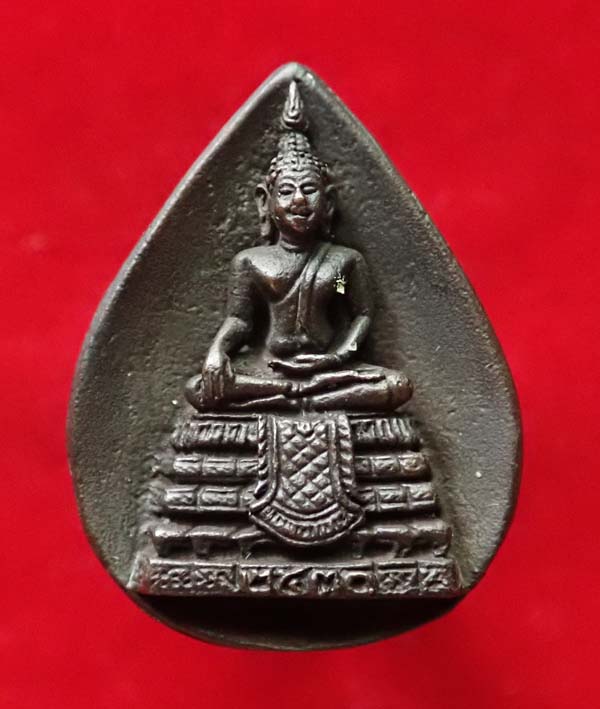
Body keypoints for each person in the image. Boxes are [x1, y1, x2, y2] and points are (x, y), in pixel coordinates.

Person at [185, 82, 411, 412]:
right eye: (287, 191)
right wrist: (217, 351)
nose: (299, 200)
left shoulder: (340, 266)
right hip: (269, 369)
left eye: (309, 189)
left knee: (398, 385)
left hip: (329, 369)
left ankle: (297, 397)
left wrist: (338, 357)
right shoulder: (251, 263)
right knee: (199, 388)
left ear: (328, 202)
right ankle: (299, 394)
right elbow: (240, 321)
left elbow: (357, 313)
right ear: (266, 201)